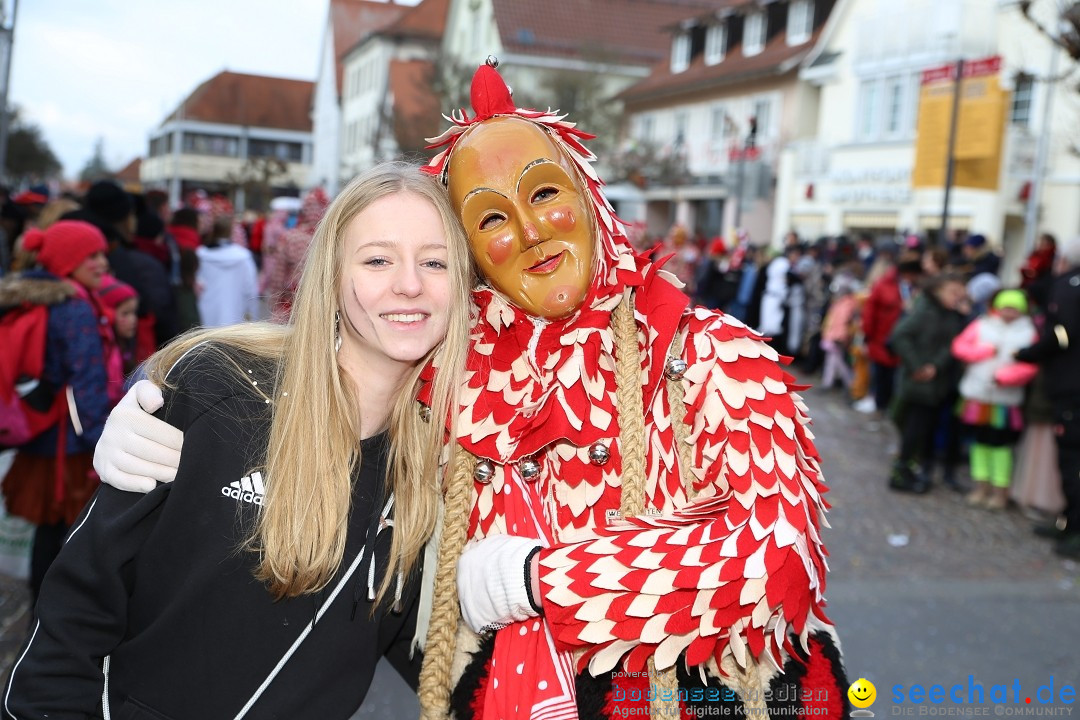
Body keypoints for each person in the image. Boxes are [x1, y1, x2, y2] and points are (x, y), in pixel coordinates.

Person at [95, 62, 848, 719]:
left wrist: (536, 579)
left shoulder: (708, 353)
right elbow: (347, 358)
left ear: (588, 196)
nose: (528, 230)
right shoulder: (456, 382)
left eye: (544, 193)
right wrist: (163, 405)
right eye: (491, 217)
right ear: (473, 256)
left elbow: (775, 558)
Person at [3, 164, 474, 718]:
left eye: (435, 261)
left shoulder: (443, 463)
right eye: (377, 259)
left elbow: (437, 659)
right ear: (331, 275)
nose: (410, 284)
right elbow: (78, 607)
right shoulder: (220, 387)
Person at [0, 221, 113, 601]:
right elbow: (87, 383)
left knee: (48, 533)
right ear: (67, 261)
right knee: (70, 535)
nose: (102, 263)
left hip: (41, 434)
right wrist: (103, 443)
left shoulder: (32, 297)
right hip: (71, 444)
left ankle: (38, 609)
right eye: (92, 256)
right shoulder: (75, 307)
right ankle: (53, 618)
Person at [1016, 235, 1080, 559]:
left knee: (1072, 458)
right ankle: (1068, 520)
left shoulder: (1069, 285)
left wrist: (1027, 353)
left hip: (1071, 385)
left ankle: (1075, 528)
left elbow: (1061, 333)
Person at [951, 290, 1038, 510]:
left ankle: (1000, 490)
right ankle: (981, 486)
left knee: (1000, 445)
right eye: (1006, 307)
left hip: (1005, 400)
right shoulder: (982, 325)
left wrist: (1006, 377)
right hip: (978, 395)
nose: (1009, 312)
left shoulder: (1028, 333)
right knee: (979, 442)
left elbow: (1031, 364)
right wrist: (983, 351)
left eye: (1014, 308)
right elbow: (960, 347)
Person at [887, 273, 969, 493]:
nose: (957, 297)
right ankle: (902, 472)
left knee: (923, 429)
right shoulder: (926, 311)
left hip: (936, 380)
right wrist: (918, 366)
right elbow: (900, 335)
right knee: (913, 428)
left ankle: (911, 470)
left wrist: (935, 365)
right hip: (920, 382)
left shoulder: (949, 314)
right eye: (953, 292)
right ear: (938, 290)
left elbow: (952, 344)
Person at [195, 214, 260, 327]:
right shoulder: (243, 257)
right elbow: (251, 289)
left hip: (206, 314)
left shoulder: (201, 255)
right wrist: (252, 317)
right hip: (235, 316)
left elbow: (196, 284)